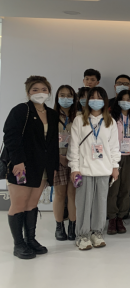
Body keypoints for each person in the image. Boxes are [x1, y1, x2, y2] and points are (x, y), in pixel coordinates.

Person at [3, 76, 59, 260]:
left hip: (42, 167)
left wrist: (53, 166)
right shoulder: (21, 110)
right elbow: (10, 136)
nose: (40, 93)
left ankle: (30, 240)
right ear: (28, 92)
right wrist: (18, 161)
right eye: (35, 89)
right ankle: (18, 244)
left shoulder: (52, 114)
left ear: (49, 92)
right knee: (19, 204)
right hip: (22, 167)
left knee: (32, 204)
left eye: (44, 89)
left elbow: (53, 144)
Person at [68, 87, 121, 251]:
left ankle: (97, 233)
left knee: (100, 203)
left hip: (104, 170)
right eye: (92, 97)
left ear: (105, 101)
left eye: (99, 98)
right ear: (87, 100)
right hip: (84, 170)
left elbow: (114, 147)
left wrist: (115, 166)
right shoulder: (79, 120)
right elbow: (73, 147)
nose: (96, 101)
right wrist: (74, 168)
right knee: (83, 204)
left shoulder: (110, 121)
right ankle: (82, 235)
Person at [107, 90, 130, 235]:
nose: (125, 102)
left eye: (128, 100)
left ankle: (121, 217)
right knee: (113, 189)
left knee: (126, 188)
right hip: (114, 157)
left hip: (129, 156)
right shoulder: (111, 117)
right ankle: (112, 218)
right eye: (123, 99)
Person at [53, 85, 78, 242]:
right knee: (60, 194)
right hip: (58, 159)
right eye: (62, 95)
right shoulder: (51, 115)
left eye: (69, 95)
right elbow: (46, 140)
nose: (66, 98)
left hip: (75, 162)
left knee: (73, 194)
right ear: (57, 97)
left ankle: (73, 226)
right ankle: (59, 226)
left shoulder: (79, 116)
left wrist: (74, 158)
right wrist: (58, 157)